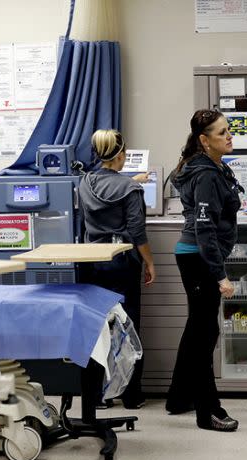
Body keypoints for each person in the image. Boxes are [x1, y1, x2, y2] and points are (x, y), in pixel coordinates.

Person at [165, 109, 243, 432]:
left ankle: (178, 397)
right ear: (203, 140)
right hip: (199, 258)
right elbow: (205, 229)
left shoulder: (211, 166)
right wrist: (220, 275)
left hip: (195, 256)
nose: (229, 136)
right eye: (221, 132)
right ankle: (208, 411)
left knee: (197, 329)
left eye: (228, 130)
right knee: (205, 334)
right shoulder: (207, 175)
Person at [78, 129, 156, 409]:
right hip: (122, 263)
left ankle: (99, 395)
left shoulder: (84, 182)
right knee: (128, 324)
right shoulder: (131, 190)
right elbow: (137, 231)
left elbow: (105, 192)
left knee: (99, 327)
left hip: (93, 263)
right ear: (121, 155)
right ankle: (131, 395)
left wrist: (130, 181)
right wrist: (149, 261)